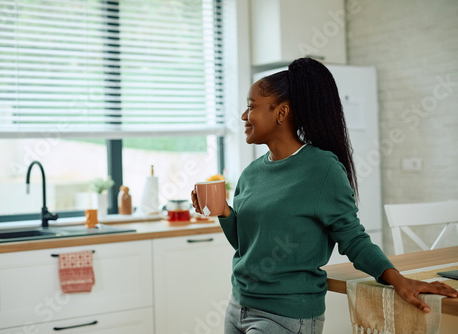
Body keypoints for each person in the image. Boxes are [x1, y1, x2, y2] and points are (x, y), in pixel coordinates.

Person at [191, 57, 458, 334]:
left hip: (285, 316)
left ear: (281, 113)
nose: (244, 116)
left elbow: (353, 239)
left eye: (251, 107)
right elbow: (245, 244)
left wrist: (398, 280)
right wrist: (224, 211)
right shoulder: (251, 173)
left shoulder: (322, 169)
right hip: (238, 307)